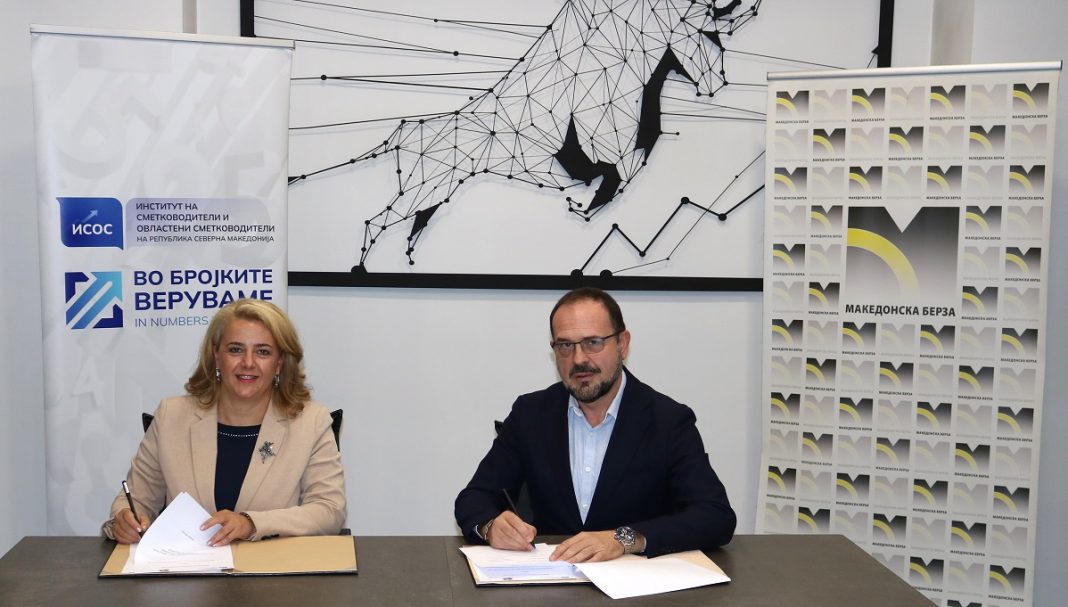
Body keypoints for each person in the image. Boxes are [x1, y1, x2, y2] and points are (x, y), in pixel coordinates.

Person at [455, 287, 736, 562]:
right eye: (565, 345)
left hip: (635, 582)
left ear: (622, 344)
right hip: (552, 577)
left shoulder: (668, 420)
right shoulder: (531, 414)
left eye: (593, 342)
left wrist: (624, 539)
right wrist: (491, 526)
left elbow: (715, 516)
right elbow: (474, 498)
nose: (579, 359)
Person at [103, 298, 346, 545]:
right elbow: (135, 500)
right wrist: (125, 519)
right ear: (217, 356)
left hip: (274, 567)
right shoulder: (171, 416)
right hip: (188, 568)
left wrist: (252, 523)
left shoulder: (311, 423)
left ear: (279, 363)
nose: (248, 362)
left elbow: (329, 510)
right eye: (235, 350)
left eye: (263, 352)